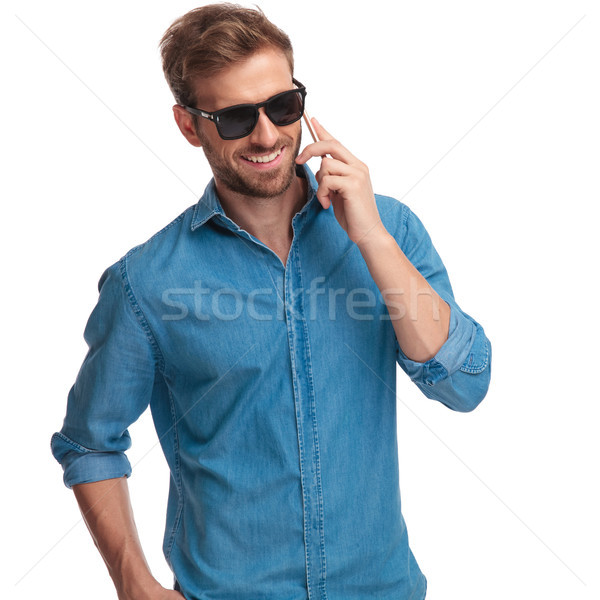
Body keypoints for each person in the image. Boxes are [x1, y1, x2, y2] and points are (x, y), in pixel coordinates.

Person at [51, 4, 492, 599]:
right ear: (188, 125)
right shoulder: (148, 282)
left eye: (283, 107)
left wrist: (370, 239)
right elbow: (90, 441)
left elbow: (464, 384)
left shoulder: (391, 230)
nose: (266, 135)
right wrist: (133, 582)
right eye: (234, 118)